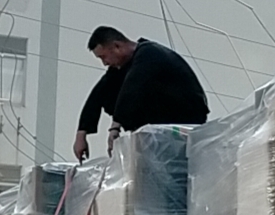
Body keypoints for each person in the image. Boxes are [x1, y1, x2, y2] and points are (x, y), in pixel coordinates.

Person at [72, 26, 209, 160]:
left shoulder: (149, 54)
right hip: (161, 126)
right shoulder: (127, 63)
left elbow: (132, 88)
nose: (105, 63)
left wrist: (115, 128)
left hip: (182, 121)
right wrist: (81, 134)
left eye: (104, 57)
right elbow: (98, 93)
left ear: (117, 46)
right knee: (110, 87)